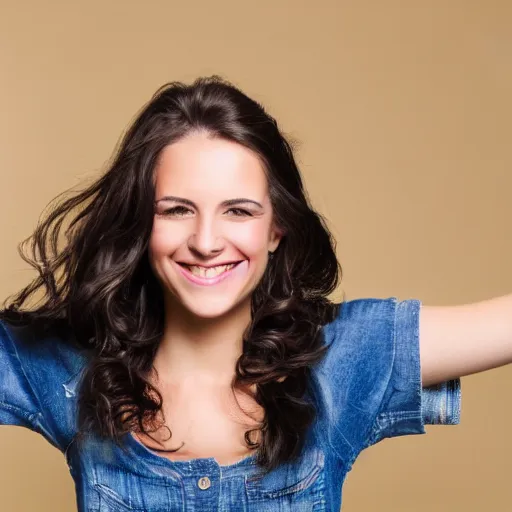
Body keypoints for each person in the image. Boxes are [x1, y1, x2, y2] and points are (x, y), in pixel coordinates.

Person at [0, 75, 509, 511]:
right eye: (176, 210)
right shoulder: (70, 372)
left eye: (238, 211)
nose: (204, 242)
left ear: (276, 229)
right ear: (141, 224)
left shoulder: (344, 360)